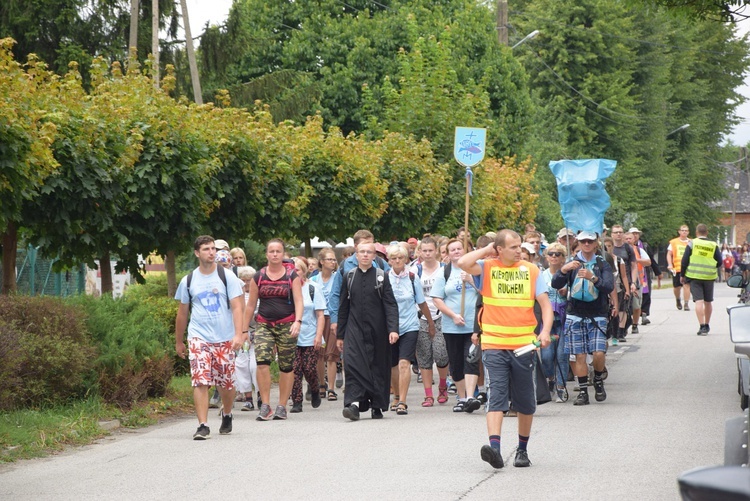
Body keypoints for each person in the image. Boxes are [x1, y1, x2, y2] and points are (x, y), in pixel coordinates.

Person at [458, 230, 553, 469]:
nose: (518, 250)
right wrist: (488, 249)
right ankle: (495, 449)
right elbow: (462, 262)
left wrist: (544, 331)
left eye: (519, 246)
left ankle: (522, 450)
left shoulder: (531, 271)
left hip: (524, 345)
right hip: (494, 345)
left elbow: (545, 304)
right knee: (496, 396)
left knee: (524, 401)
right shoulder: (487, 267)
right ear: (499, 249)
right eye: (512, 246)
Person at [174, 235, 245, 440]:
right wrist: (179, 341)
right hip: (199, 337)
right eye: (206, 249)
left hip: (224, 338)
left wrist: (239, 334)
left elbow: (237, 307)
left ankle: (227, 413)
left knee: (226, 384)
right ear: (197, 253)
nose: (211, 252)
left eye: (213, 248)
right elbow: (182, 313)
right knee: (200, 380)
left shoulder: (227, 277)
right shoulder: (188, 280)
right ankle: (203, 425)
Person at [336, 242, 400, 420]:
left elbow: (390, 304)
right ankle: (354, 405)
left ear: (374, 256)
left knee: (377, 366)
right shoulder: (349, 276)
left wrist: (393, 329)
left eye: (369, 252)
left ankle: (377, 405)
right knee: (353, 365)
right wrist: (340, 335)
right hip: (354, 328)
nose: (365, 255)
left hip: (378, 330)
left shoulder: (382, 276)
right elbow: (343, 306)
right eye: (361, 252)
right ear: (356, 255)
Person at [243, 238, 304, 421]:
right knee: (262, 362)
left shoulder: (291, 276)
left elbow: (299, 300)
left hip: (287, 324)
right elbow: (250, 304)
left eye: (278, 251)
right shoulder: (259, 276)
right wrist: (244, 330)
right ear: (266, 254)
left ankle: (282, 406)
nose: (275, 254)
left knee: (286, 366)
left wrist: (298, 321)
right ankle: (266, 405)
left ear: (283, 254)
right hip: (264, 324)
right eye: (271, 251)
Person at [551, 231, 615, 407]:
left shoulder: (602, 263)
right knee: (579, 355)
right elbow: (555, 284)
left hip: (597, 314)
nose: (586, 244)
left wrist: (593, 278)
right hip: (575, 314)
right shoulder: (572, 263)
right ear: (578, 243)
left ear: (596, 243)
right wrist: (563, 270)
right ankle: (583, 392)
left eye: (590, 241)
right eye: (583, 241)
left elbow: (609, 286)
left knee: (598, 352)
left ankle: (599, 379)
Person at [431, 238, 481, 413]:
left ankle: (470, 397)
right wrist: (452, 315)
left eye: (459, 248)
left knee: (472, 360)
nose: (456, 251)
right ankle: (461, 396)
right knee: (456, 362)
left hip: (472, 325)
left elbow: (486, 292)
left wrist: (472, 280)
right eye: (452, 249)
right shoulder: (444, 272)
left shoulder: (475, 270)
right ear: (448, 253)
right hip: (452, 326)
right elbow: (437, 298)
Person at [386, 244, 434, 414]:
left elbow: (421, 302)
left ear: (406, 259)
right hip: (390, 327)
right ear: (389, 260)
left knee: (404, 363)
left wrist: (430, 322)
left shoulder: (413, 278)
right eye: (394, 258)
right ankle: (396, 396)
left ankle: (403, 402)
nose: (397, 261)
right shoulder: (384, 278)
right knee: (392, 365)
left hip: (410, 325)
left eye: (401, 258)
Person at [409, 236, 451, 407]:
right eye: (424, 251)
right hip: (421, 317)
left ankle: (442, 385)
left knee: (441, 353)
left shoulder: (444, 269)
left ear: (436, 251)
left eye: (430, 250)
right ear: (419, 252)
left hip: (442, 315)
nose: (427, 254)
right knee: (424, 356)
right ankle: (428, 395)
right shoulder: (414, 271)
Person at [290, 257, 326, 413]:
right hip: (291, 336)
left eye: (297, 270)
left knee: (309, 368)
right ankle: (296, 401)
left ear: (304, 271)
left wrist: (318, 336)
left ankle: (315, 388)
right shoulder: (286, 289)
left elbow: (320, 315)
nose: (294, 273)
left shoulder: (313, 288)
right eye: (291, 270)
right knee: (294, 369)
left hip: (310, 334)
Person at [539, 243, 569, 403]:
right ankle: (550, 379)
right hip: (547, 320)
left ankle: (561, 388)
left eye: (558, 254)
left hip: (564, 319)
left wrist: (567, 292)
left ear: (563, 257)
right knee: (547, 355)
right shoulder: (541, 276)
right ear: (546, 256)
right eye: (551, 253)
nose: (554, 257)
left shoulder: (568, 274)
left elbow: (577, 291)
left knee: (562, 355)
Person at [310, 248, 340, 401]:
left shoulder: (338, 278)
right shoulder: (314, 280)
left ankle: (332, 388)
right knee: (320, 354)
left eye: (334, 260)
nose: (333, 262)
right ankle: (322, 383)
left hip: (334, 319)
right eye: (329, 259)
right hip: (319, 319)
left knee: (332, 354)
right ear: (321, 262)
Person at [681, 224, 721, 335]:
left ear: (696, 232)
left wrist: (682, 275)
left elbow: (684, 261)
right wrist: (712, 267)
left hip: (694, 276)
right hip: (709, 277)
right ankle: (707, 325)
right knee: (708, 302)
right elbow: (720, 261)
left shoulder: (692, 243)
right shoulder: (713, 245)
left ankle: (702, 326)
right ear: (706, 232)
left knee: (699, 301)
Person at [235, 265, 259, 411]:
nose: (246, 283)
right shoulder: (237, 296)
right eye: (243, 280)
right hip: (242, 334)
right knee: (241, 365)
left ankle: (261, 395)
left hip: (257, 332)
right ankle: (248, 399)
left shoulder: (258, 294)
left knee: (255, 366)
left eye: (249, 280)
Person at [610, 225, 637, 341]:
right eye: (616, 232)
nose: (618, 234)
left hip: (625, 281)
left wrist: (634, 283)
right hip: (612, 281)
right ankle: (613, 331)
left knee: (623, 307)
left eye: (620, 232)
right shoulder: (608, 248)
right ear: (611, 234)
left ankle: (621, 332)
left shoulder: (627, 248)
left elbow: (634, 266)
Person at [625, 231, 650, 333]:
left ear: (634, 239)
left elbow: (648, 262)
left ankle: (635, 324)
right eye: (626, 238)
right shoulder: (619, 250)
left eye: (630, 238)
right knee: (624, 306)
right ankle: (624, 326)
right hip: (624, 281)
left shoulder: (639, 250)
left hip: (637, 281)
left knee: (636, 306)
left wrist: (636, 260)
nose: (628, 240)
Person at [667, 225, 692, 311]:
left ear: (688, 232)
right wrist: (670, 264)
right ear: (679, 231)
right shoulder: (673, 242)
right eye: (682, 230)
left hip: (688, 268)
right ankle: (678, 299)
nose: (684, 232)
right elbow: (669, 254)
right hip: (676, 268)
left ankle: (686, 303)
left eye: (686, 230)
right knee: (677, 287)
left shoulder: (691, 242)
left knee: (686, 285)